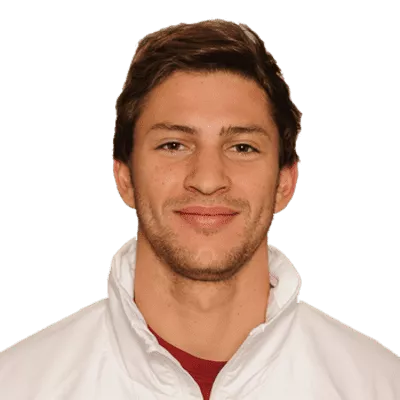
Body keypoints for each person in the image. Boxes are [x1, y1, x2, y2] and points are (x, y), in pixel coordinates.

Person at [0, 17, 398, 400]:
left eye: (242, 147)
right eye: (173, 145)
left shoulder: (381, 387)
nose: (207, 180)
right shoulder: (17, 386)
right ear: (124, 177)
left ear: (285, 182)